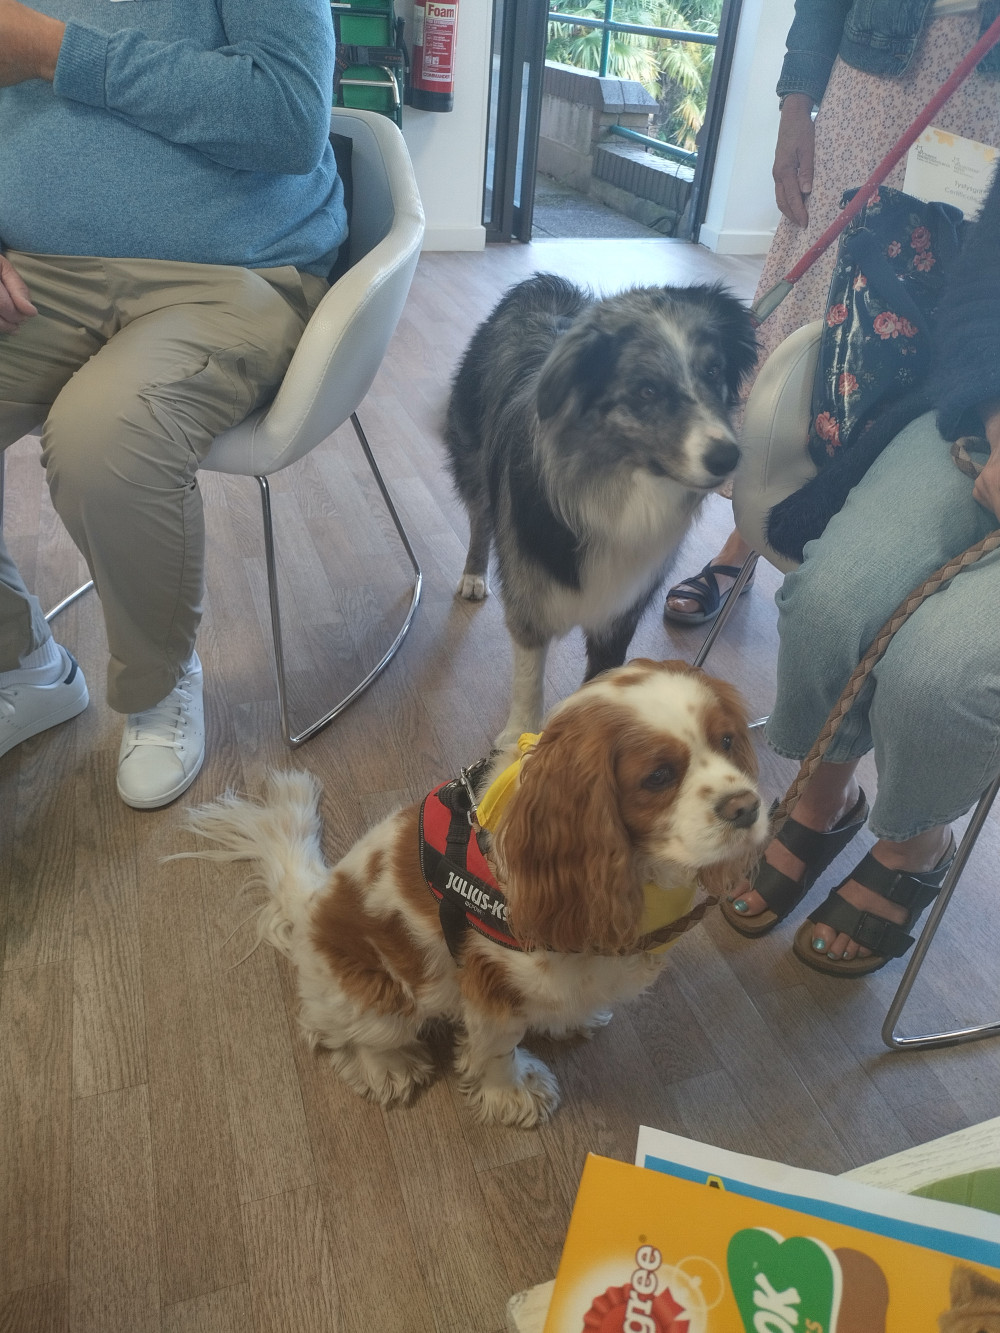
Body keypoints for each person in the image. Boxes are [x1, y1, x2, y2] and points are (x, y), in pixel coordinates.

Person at [0, 0, 347, 807]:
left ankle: (157, 683)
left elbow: (291, 116)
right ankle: (23, 663)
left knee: (105, 438)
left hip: (234, 271)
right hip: (35, 272)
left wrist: (57, 51)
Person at [719, 157, 1000, 978]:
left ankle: (915, 844)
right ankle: (823, 793)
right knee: (829, 601)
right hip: (979, 418)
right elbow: (985, 289)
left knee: (941, 673)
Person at [664, 0, 1000, 626]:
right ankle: (750, 535)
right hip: (869, 79)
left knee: (943, 324)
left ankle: (876, 548)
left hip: (988, 88)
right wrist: (797, 106)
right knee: (818, 304)